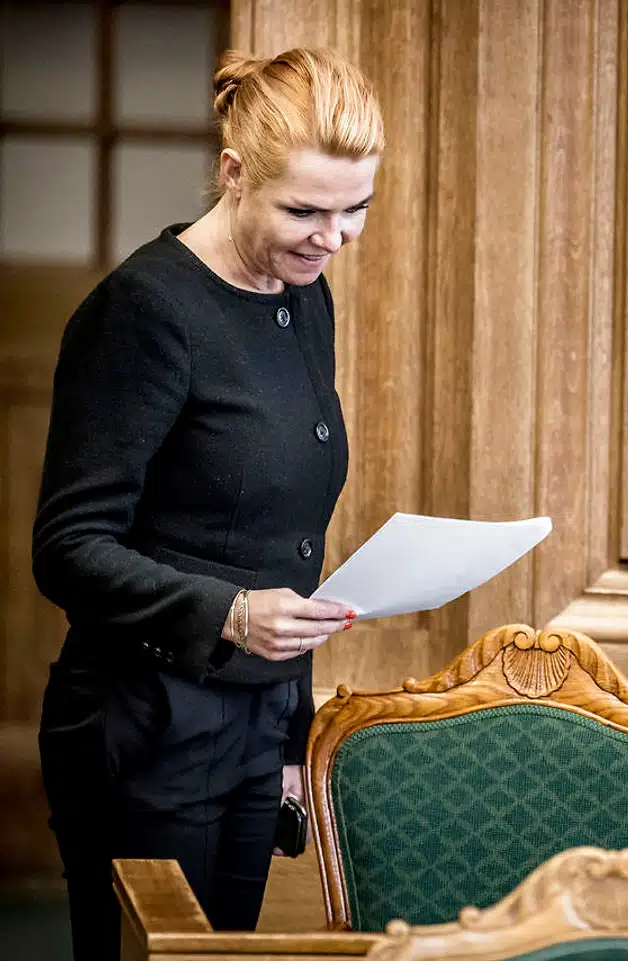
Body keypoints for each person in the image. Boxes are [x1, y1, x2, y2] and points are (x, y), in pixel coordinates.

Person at [33, 47, 383, 961]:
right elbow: (68, 545)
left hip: (258, 722)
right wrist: (229, 613)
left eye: (355, 209)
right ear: (233, 173)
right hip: (145, 720)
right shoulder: (144, 310)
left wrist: (292, 740)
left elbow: (284, 546)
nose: (332, 237)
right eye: (304, 210)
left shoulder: (304, 296)